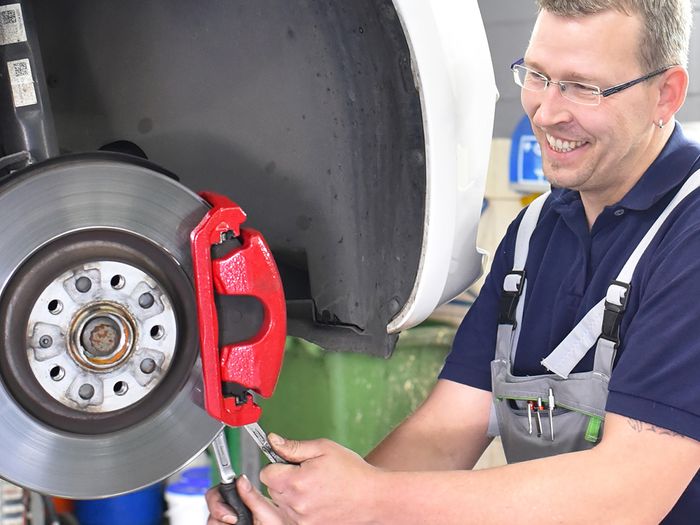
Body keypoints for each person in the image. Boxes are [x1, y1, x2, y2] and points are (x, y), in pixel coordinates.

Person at [207, 1, 700, 523]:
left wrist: (372, 500)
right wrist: (311, 514)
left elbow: (627, 493)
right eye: (537, 76)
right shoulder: (535, 234)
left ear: (665, 94)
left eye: (583, 87)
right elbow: (447, 429)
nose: (547, 111)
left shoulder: (689, 236)